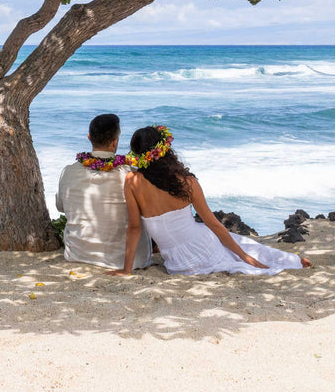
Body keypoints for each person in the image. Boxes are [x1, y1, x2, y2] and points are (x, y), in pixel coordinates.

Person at [113, 125, 313, 276]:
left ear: (138, 154)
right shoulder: (187, 182)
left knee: (239, 243)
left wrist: (126, 270)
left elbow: (134, 228)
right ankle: (293, 261)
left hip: (176, 265)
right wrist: (245, 257)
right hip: (204, 249)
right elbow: (214, 225)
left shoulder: (132, 181)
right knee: (242, 245)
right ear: (165, 149)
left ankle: (289, 261)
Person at [55, 113, 153, 270]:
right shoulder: (132, 175)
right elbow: (149, 212)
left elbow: (60, 207)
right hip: (126, 260)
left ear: (89, 137)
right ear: (115, 142)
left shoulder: (68, 172)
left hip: (78, 254)